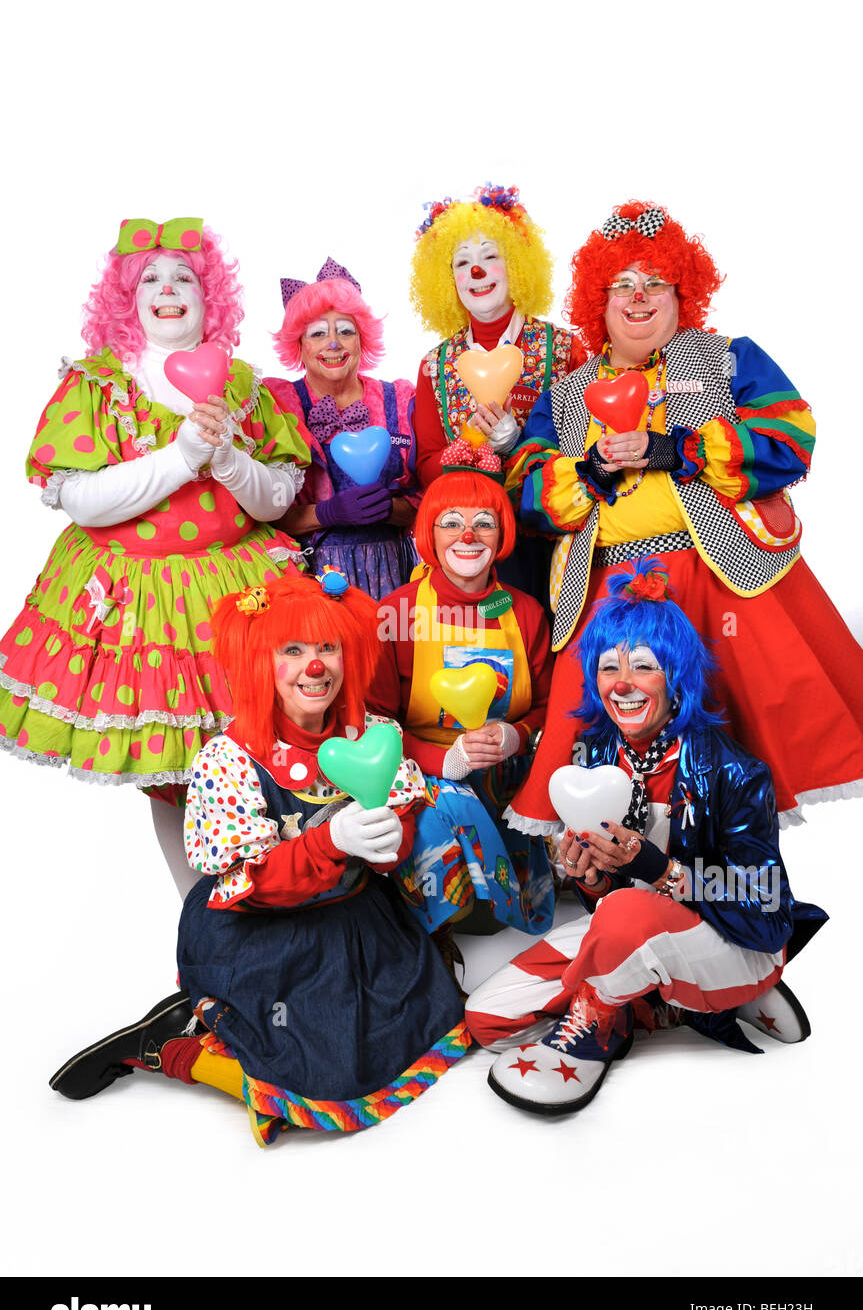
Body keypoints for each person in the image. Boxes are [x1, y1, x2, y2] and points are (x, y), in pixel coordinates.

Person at [49, 572, 469, 1145]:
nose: (313, 667)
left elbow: (396, 853)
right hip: (262, 930)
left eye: (327, 648)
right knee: (326, 1073)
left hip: (353, 920)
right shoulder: (231, 758)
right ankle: (171, 1050)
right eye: (291, 651)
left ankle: (228, 1045)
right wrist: (329, 842)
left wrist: (385, 845)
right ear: (261, 663)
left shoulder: (376, 736)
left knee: (434, 1021)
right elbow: (257, 885)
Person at [506, 200, 863, 829]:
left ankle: (743, 879)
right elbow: (526, 488)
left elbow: (791, 434)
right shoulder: (566, 391)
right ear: (600, 299)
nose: (638, 297)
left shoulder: (727, 357)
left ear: (682, 293)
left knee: (759, 723)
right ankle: (626, 871)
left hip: (722, 570)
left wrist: (672, 448)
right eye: (621, 285)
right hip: (607, 589)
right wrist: (590, 471)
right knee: (616, 743)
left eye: (655, 282)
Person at [0, 218, 310, 887]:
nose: (169, 288)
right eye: (151, 277)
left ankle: (274, 900)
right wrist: (181, 457)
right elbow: (81, 500)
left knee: (255, 753)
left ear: (212, 297)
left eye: (186, 277)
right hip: (135, 598)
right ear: (125, 298)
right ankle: (197, 920)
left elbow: (276, 500)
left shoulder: (245, 385)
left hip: (237, 585)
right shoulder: (96, 384)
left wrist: (227, 459)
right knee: (172, 773)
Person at [466, 559, 826, 1115]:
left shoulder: (733, 771)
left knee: (627, 913)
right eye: (609, 667)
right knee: (489, 1018)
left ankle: (605, 1020)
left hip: (734, 939)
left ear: (676, 673)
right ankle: (675, 1003)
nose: (623, 683)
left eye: (643, 665)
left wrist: (660, 871)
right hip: (630, 932)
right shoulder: (595, 758)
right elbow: (606, 901)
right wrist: (591, 874)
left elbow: (766, 905)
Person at [371, 451, 555, 937]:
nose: (468, 536)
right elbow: (371, 723)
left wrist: (515, 736)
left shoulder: (527, 612)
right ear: (429, 533)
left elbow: (546, 707)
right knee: (445, 803)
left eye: (484, 523)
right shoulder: (399, 611)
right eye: (451, 523)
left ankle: (512, 918)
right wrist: (441, 760)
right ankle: (442, 931)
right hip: (423, 770)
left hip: (505, 772)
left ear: (502, 534)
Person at [409, 185, 584, 601]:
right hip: (464, 548)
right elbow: (426, 466)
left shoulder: (564, 349)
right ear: (446, 278)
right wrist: (469, 450)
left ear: (518, 265)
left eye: (490, 256)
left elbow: (585, 455)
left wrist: (517, 444)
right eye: (462, 262)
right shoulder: (434, 363)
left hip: (544, 541)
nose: (477, 271)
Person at [268, 258, 419, 599]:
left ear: (362, 340)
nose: (333, 343)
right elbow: (259, 509)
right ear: (299, 345)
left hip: (394, 574)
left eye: (345, 331)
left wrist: (391, 510)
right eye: (318, 333)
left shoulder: (399, 399)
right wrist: (328, 512)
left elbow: (432, 497)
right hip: (307, 580)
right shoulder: (279, 405)